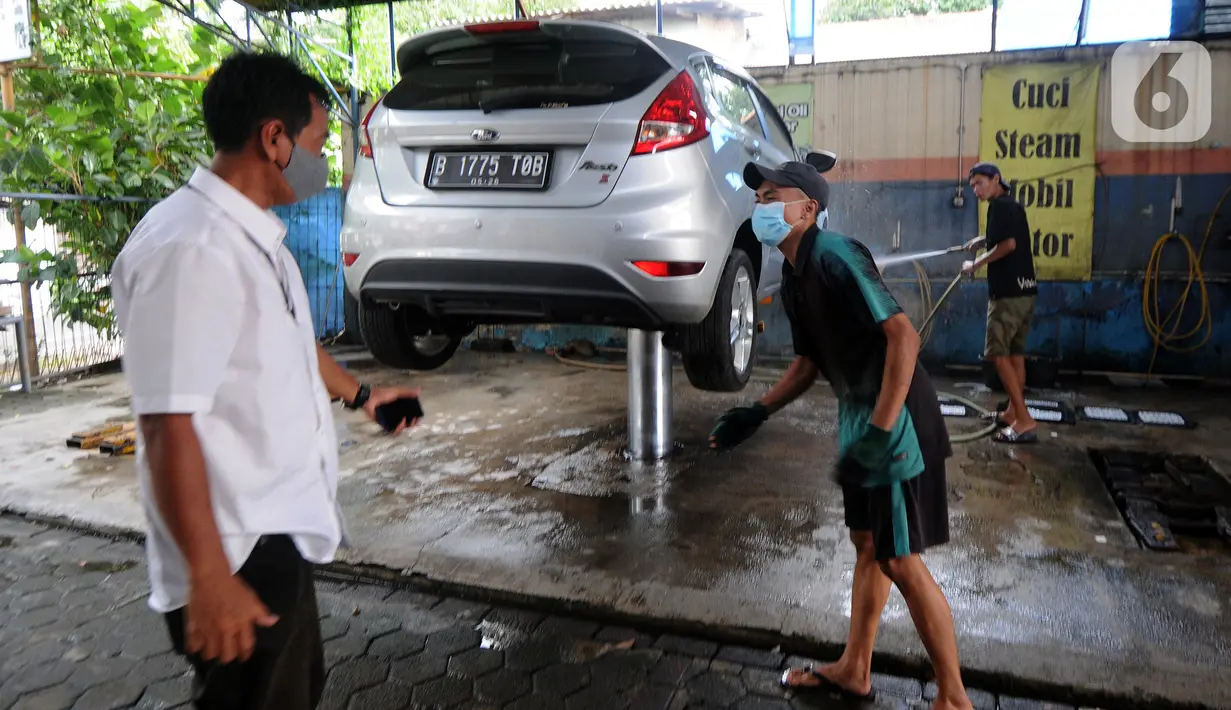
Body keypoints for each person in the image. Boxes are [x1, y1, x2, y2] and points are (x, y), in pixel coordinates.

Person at [111, 51, 422, 710]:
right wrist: (208, 577)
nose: (324, 164)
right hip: (231, 548)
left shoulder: (252, 237)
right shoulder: (191, 250)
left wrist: (363, 396)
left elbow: (288, 340)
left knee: (292, 690)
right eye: (315, 144)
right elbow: (167, 426)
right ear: (273, 139)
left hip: (270, 528)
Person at [709, 161, 972, 710]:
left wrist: (879, 431)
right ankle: (855, 669)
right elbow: (808, 365)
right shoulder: (795, 279)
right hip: (861, 416)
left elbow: (903, 337)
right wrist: (756, 412)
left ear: (808, 208)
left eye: (772, 195)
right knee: (870, 547)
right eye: (756, 196)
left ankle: (954, 698)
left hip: (894, 418)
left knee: (900, 558)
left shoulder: (835, 255)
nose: (761, 206)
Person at [961, 162, 1039, 444]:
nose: (975, 190)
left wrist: (975, 265)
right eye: (972, 186)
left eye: (980, 183)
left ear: (996, 179)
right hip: (1026, 292)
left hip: (1007, 295)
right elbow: (1004, 237)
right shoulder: (1011, 205)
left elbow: (1008, 246)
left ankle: (1024, 420)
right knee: (1015, 354)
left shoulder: (1000, 207)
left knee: (997, 355)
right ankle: (1011, 413)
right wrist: (981, 241)